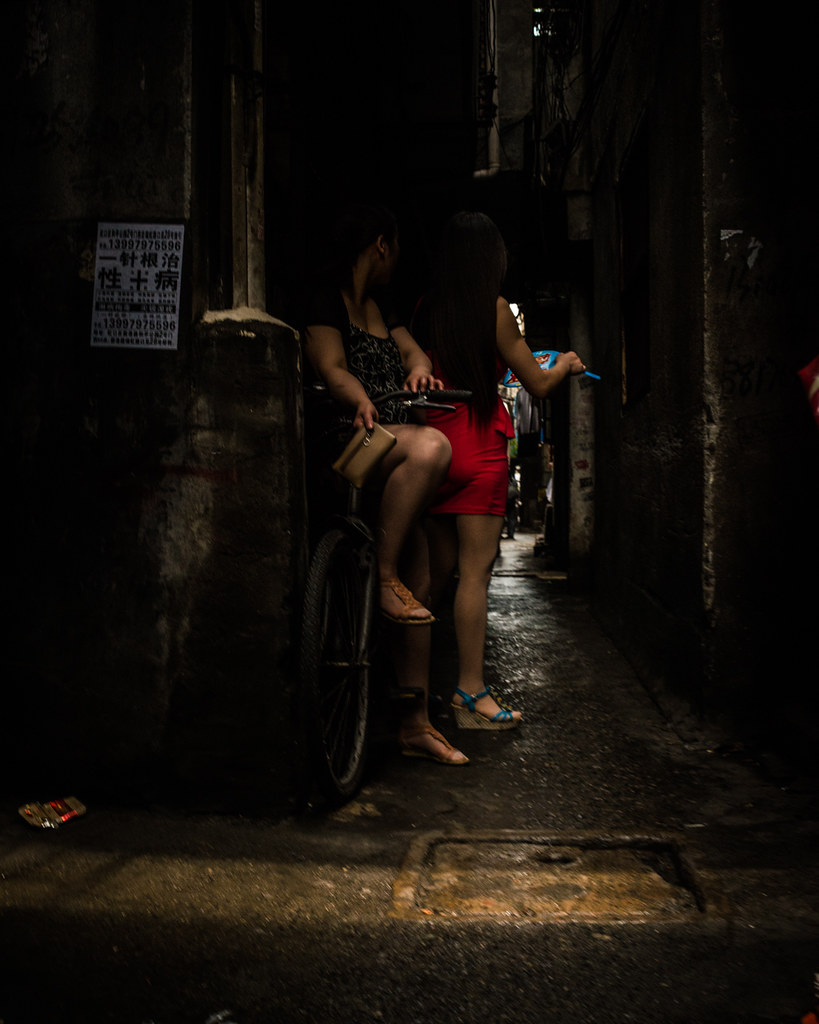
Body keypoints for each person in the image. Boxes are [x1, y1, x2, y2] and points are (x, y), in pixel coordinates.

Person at [303, 202, 468, 765]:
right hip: (350, 444)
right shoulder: (327, 298)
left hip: (388, 451)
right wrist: (360, 398)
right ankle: (385, 577)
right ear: (380, 245)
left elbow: (410, 351)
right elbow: (332, 368)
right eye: (395, 249)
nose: (397, 260)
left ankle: (414, 723)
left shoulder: (383, 306)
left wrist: (419, 368)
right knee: (433, 444)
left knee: (424, 584)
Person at [413, 210, 587, 730]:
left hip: (432, 448)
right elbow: (537, 382)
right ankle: (471, 693)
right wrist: (567, 365)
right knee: (475, 577)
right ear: (490, 257)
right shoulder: (494, 311)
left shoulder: (426, 309)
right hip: (480, 447)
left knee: (430, 578)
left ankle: (410, 697)